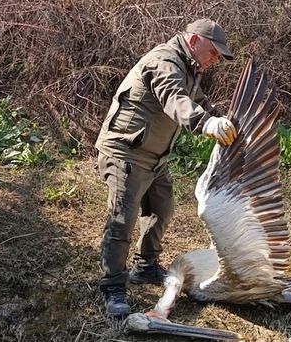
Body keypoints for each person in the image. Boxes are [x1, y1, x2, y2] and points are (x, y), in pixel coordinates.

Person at [94, 18, 238, 318]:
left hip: (154, 157)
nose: (214, 61)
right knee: (122, 221)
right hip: (126, 152)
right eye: (213, 52)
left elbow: (198, 100)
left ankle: (145, 267)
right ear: (195, 41)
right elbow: (175, 99)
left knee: (162, 208)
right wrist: (206, 123)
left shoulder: (189, 68)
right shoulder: (164, 61)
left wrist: (222, 118)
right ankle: (112, 286)